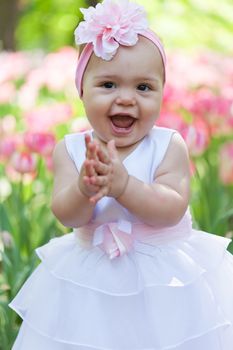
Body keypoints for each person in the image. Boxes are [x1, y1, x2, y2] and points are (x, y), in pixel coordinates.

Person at [9, 0, 233, 349]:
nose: (127, 99)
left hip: (164, 280)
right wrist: (85, 189)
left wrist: (124, 185)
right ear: (82, 90)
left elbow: (171, 208)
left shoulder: (167, 145)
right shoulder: (72, 149)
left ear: (161, 92)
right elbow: (66, 214)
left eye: (143, 87)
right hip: (90, 279)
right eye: (109, 85)